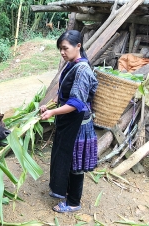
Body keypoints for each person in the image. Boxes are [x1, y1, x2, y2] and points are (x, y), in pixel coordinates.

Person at [40, 30, 98, 213]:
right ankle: (65, 190)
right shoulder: (71, 65)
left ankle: (73, 202)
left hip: (78, 124)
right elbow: (64, 92)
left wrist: (52, 113)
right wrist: (50, 105)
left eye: (65, 48)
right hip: (69, 121)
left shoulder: (82, 70)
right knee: (66, 158)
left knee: (75, 164)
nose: (62, 52)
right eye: (60, 49)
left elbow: (76, 103)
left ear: (78, 46)